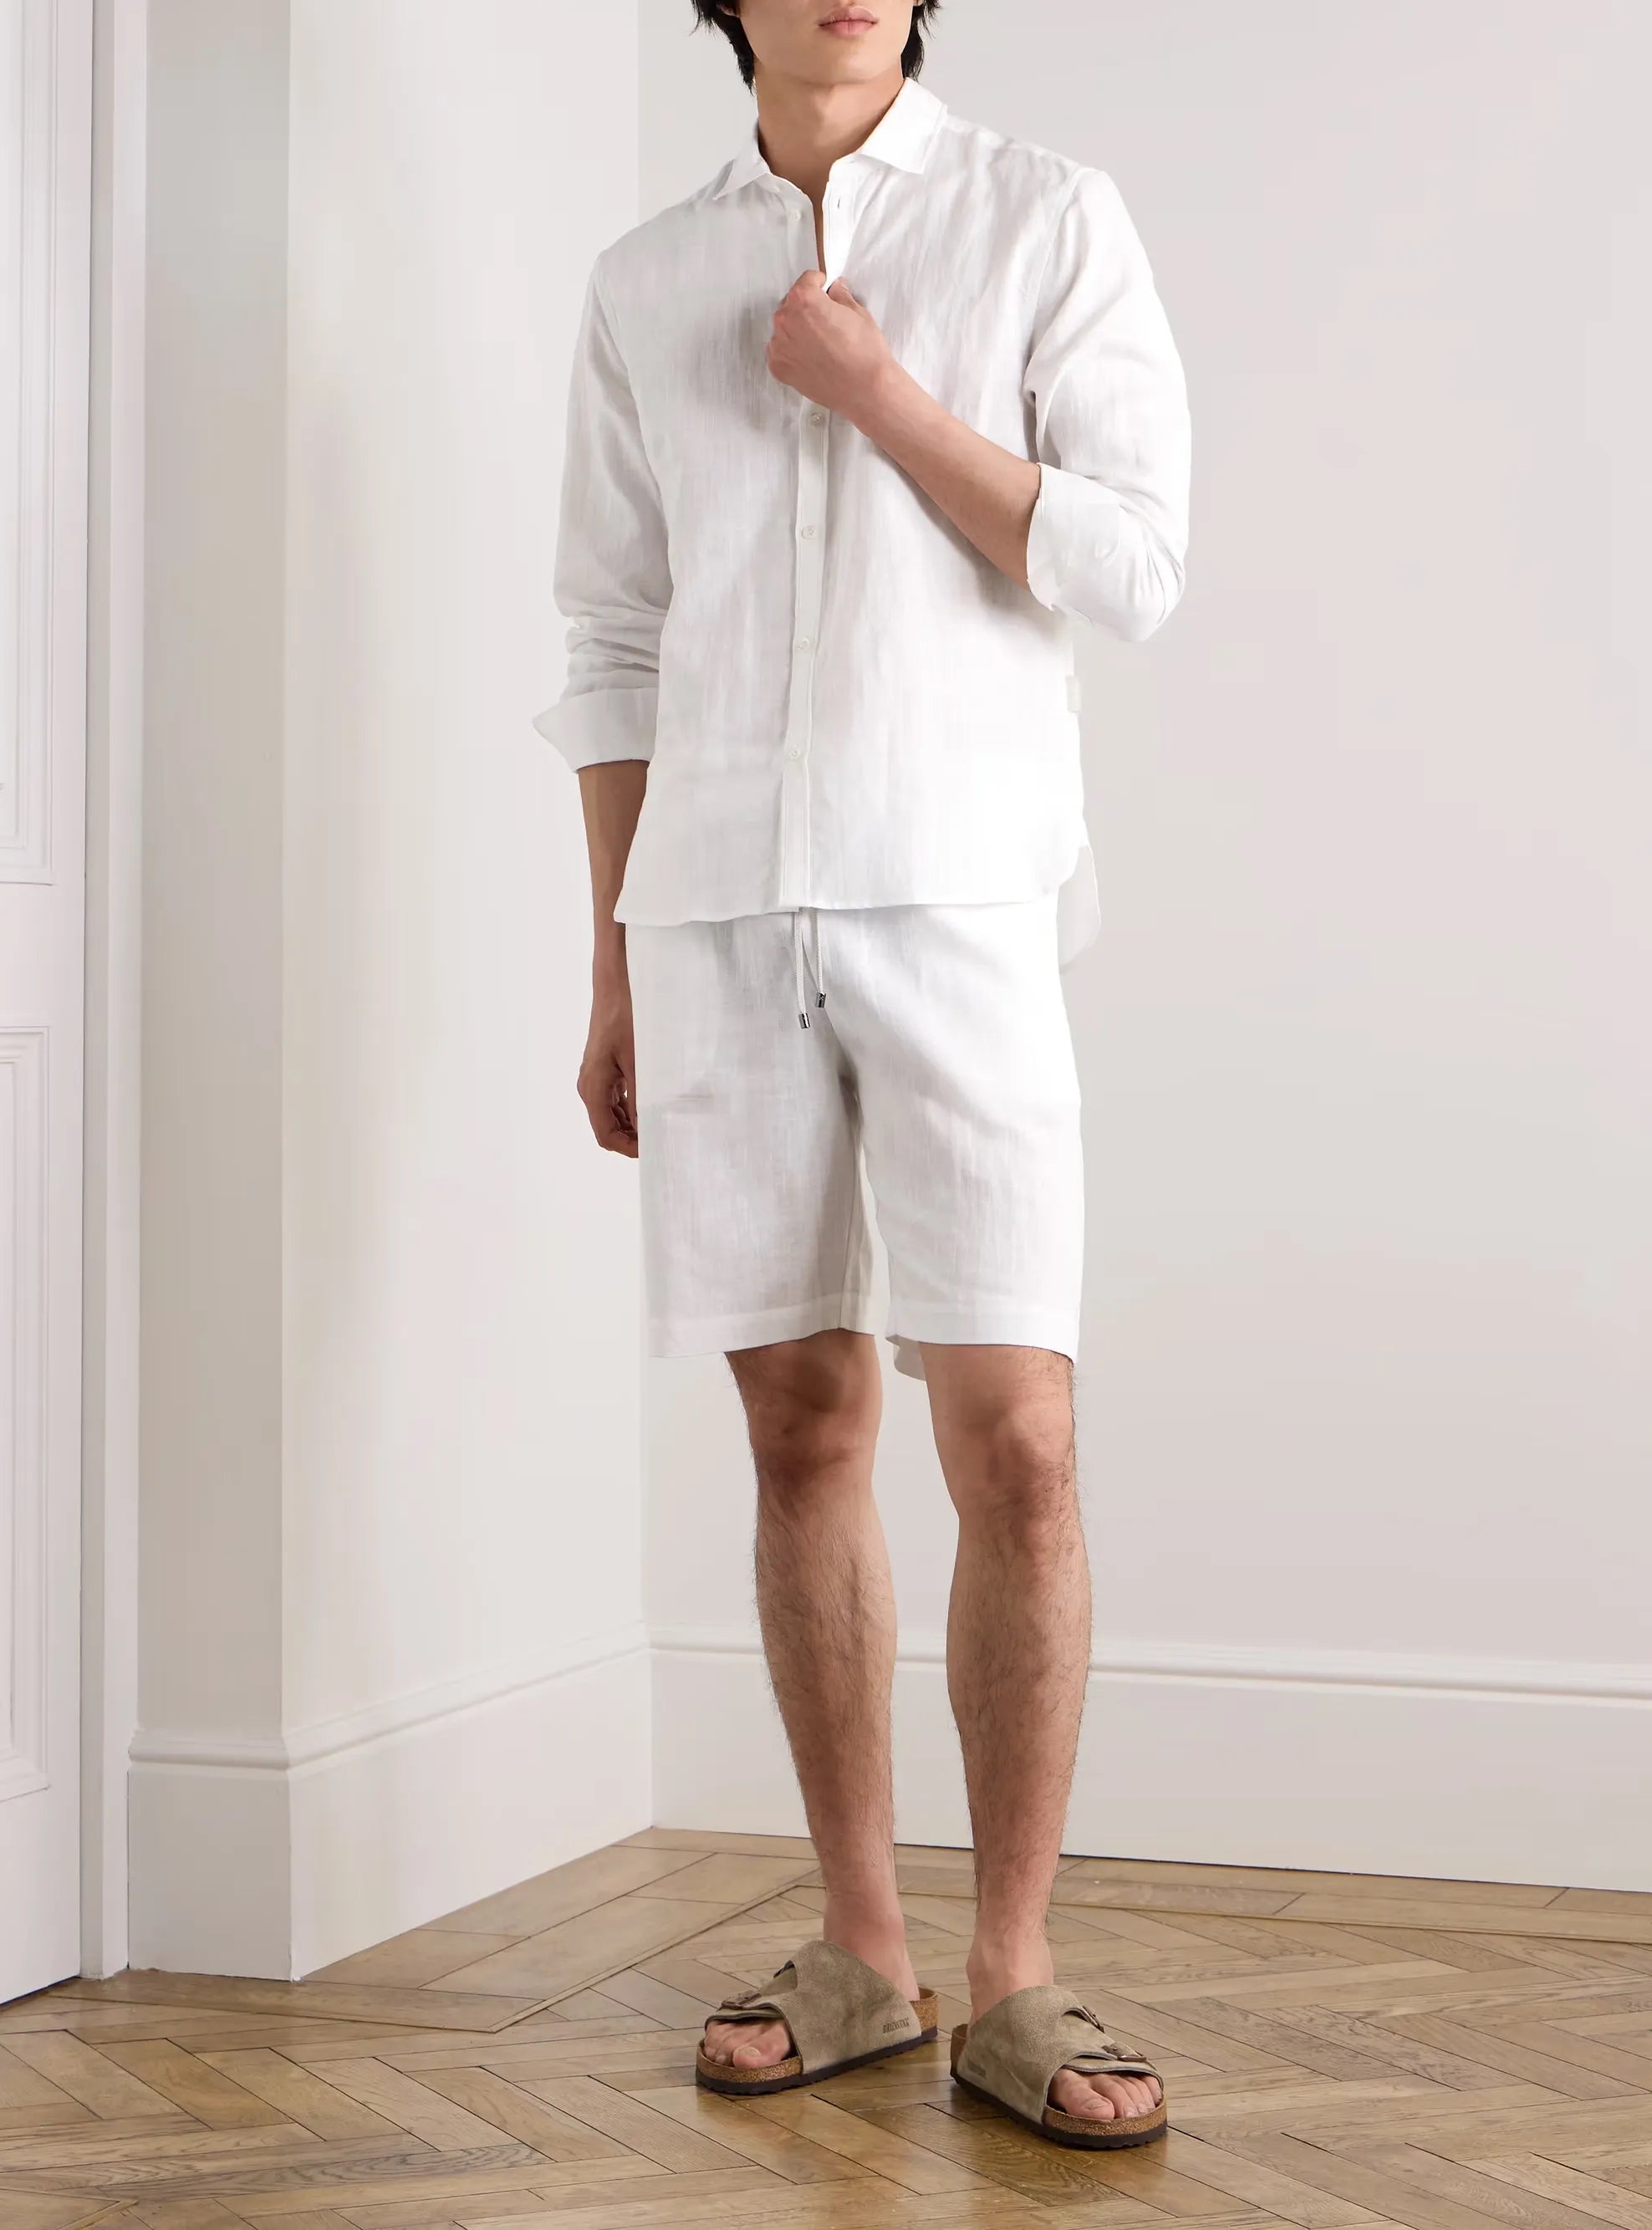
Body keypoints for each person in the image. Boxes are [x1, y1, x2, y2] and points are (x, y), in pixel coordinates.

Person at [534, 0, 1189, 2150]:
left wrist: (884, 395)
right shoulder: (645, 278)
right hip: (714, 907)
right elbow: (614, 637)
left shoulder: (1043, 216)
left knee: (1021, 1439)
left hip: (963, 896)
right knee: (799, 1422)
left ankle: (1013, 1969)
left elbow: (1132, 561)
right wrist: (613, 953)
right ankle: (860, 1949)